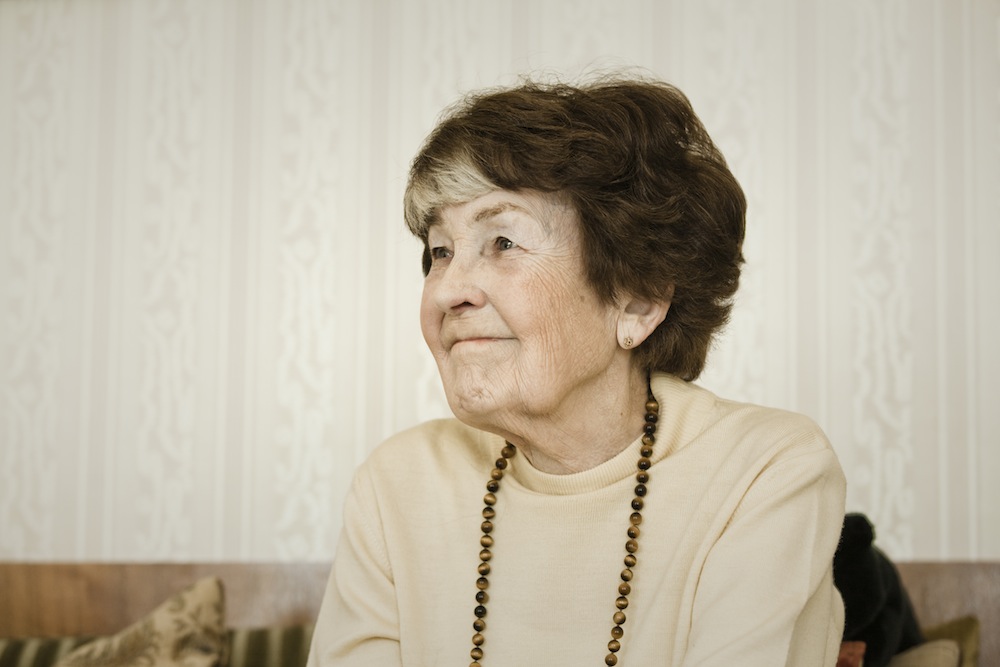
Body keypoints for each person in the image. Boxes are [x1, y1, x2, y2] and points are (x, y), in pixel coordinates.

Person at [308, 76, 846, 666]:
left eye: (503, 242)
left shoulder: (764, 471)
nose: (447, 291)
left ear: (637, 301)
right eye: (441, 251)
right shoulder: (398, 485)